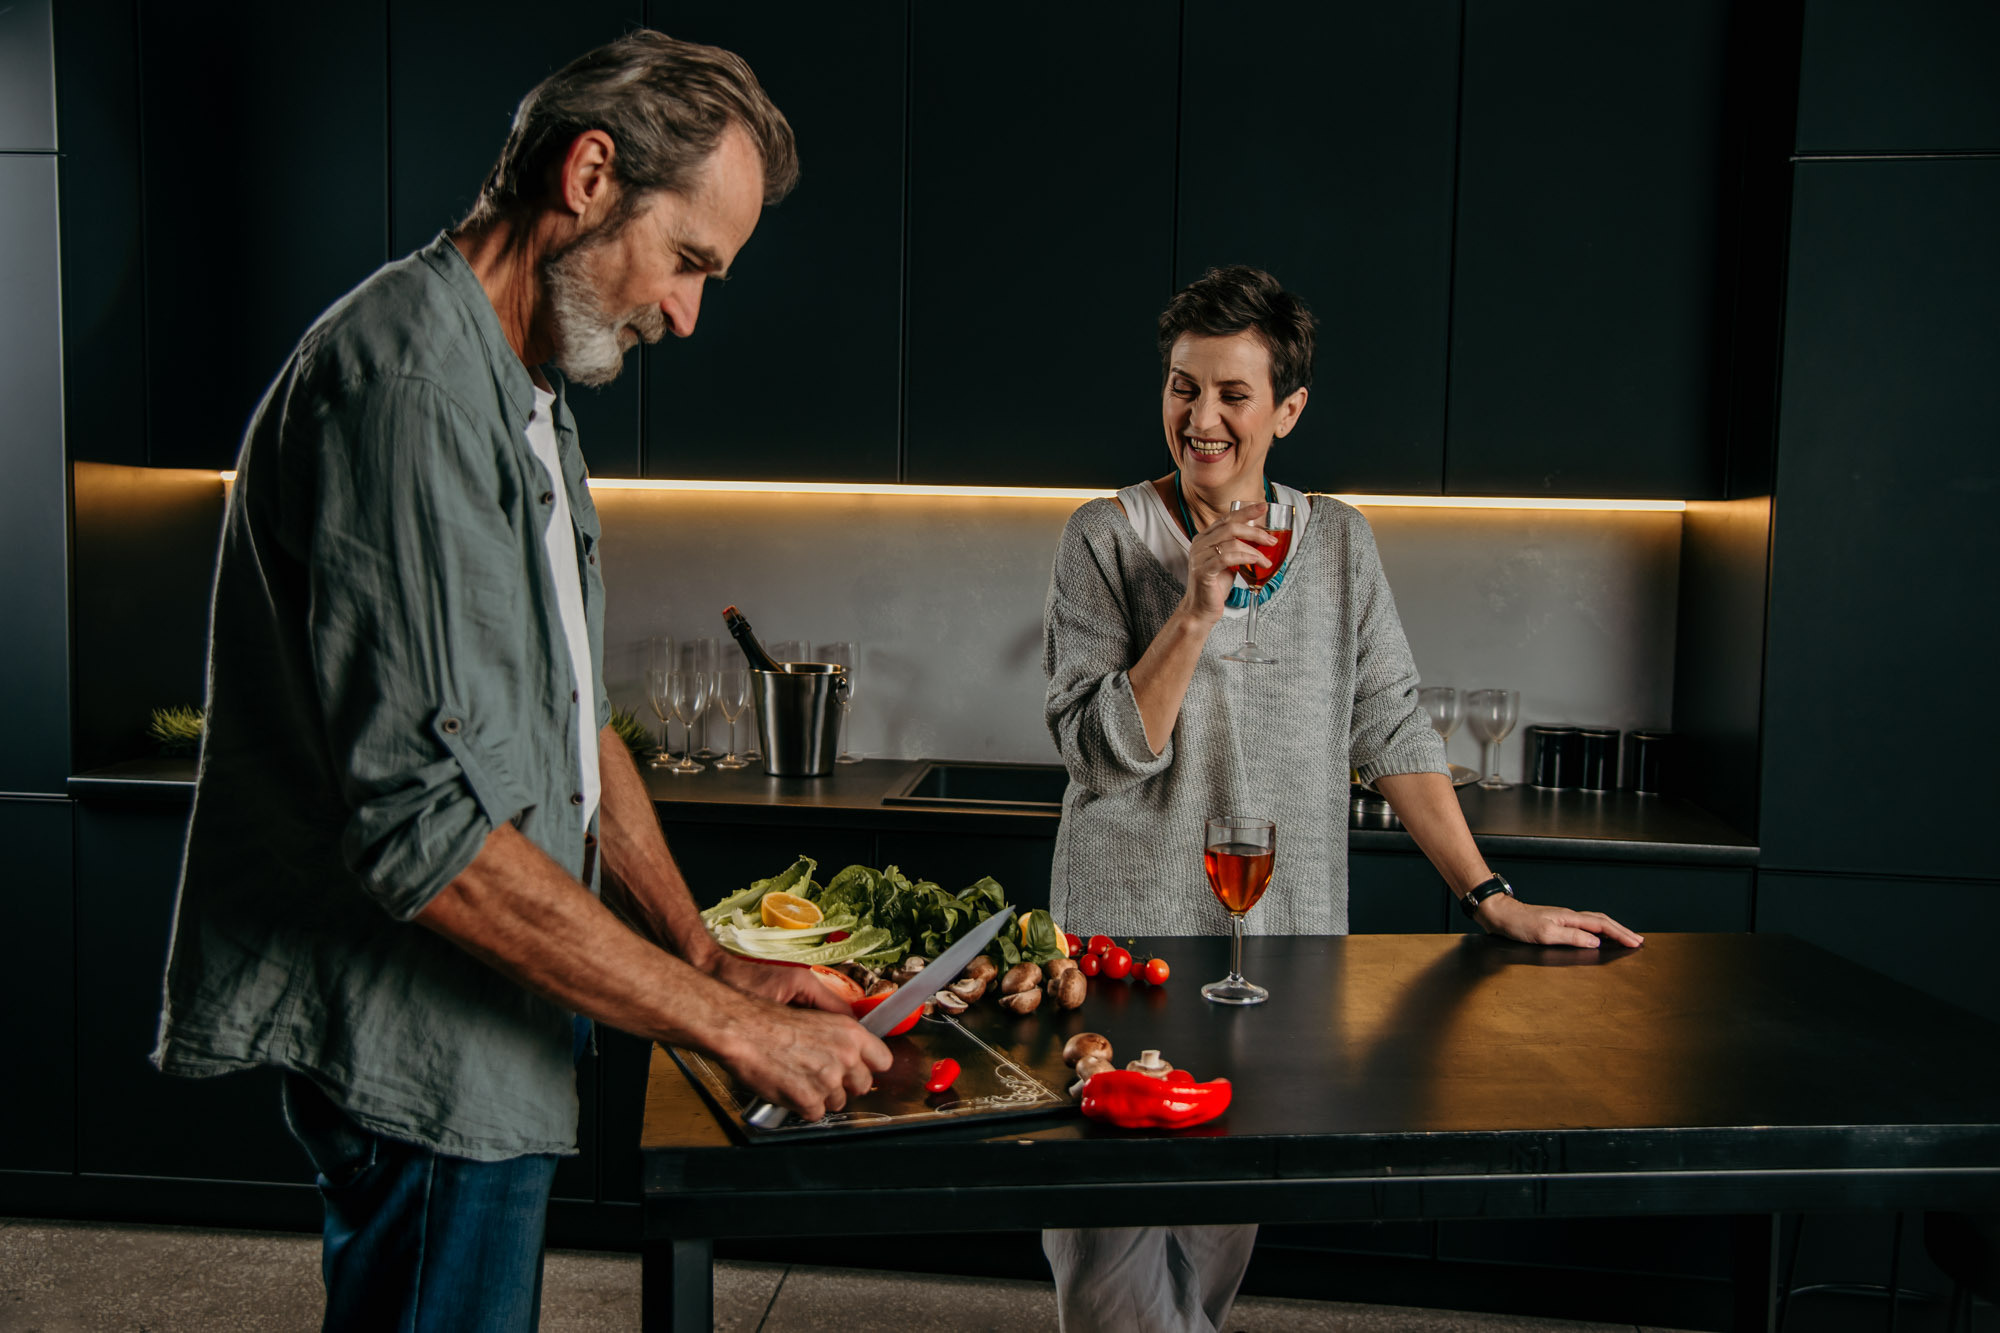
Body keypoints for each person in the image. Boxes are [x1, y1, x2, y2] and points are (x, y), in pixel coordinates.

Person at [152, 32, 890, 1331]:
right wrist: (731, 1030)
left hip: (498, 1020)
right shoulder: (408, 387)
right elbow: (427, 836)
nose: (687, 313)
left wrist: (705, 954)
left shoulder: (528, 390)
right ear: (590, 176)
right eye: (687, 260)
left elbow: (571, 716)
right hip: (420, 1042)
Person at [1039, 265, 1643, 1333]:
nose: (1201, 417)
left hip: (1278, 952)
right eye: (1183, 387)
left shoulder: (1340, 545)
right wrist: (1192, 609)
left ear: (1288, 409)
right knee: (1110, 1259)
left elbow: (1392, 729)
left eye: (1232, 393)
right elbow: (1096, 751)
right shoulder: (1103, 537)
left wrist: (1490, 894)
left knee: (1215, 1243)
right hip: (1124, 950)